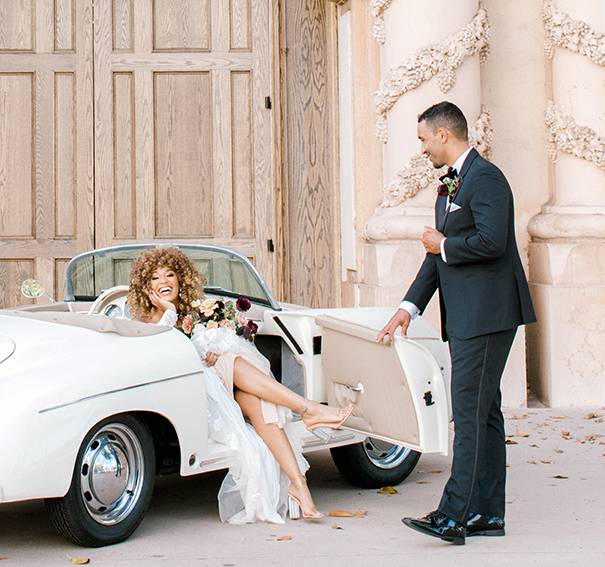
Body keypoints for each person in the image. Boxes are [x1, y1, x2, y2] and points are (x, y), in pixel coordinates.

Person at [376, 101, 536, 545]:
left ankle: (452, 516)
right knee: (483, 415)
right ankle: (486, 514)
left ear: (444, 135)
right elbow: (437, 258)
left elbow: (490, 240)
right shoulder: (450, 184)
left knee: (467, 413)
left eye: (424, 139)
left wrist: (443, 242)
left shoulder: (487, 178)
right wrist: (407, 308)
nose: (423, 148)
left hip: (487, 315)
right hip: (468, 316)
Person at [125, 246, 353, 524]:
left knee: (258, 401)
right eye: (155, 278)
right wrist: (171, 314)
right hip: (193, 397)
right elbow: (163, 354)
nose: (164, 283)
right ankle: (308, 408)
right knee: (233, 363)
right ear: (145, 287)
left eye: (169, 274)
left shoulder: (195, 312)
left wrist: (208, 350)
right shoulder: (142, 320)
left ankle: (299, 486)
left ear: (180, 278)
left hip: (220, 385)